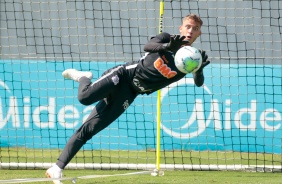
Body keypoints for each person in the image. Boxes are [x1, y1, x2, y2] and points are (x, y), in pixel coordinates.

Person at [46, 14, 210, 184]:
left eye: (195, 29)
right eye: (188, 26)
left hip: (130, 93)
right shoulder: (167, 38)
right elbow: (148, 46)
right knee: (84, 97)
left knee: (90, 129)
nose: (190, 31)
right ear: (181, 28)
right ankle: (83, 77)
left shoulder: (192, 58)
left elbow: (199, 83)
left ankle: (57, 168)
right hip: (123, 76)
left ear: (199, 33)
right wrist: (168, 45)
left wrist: (198, 71)